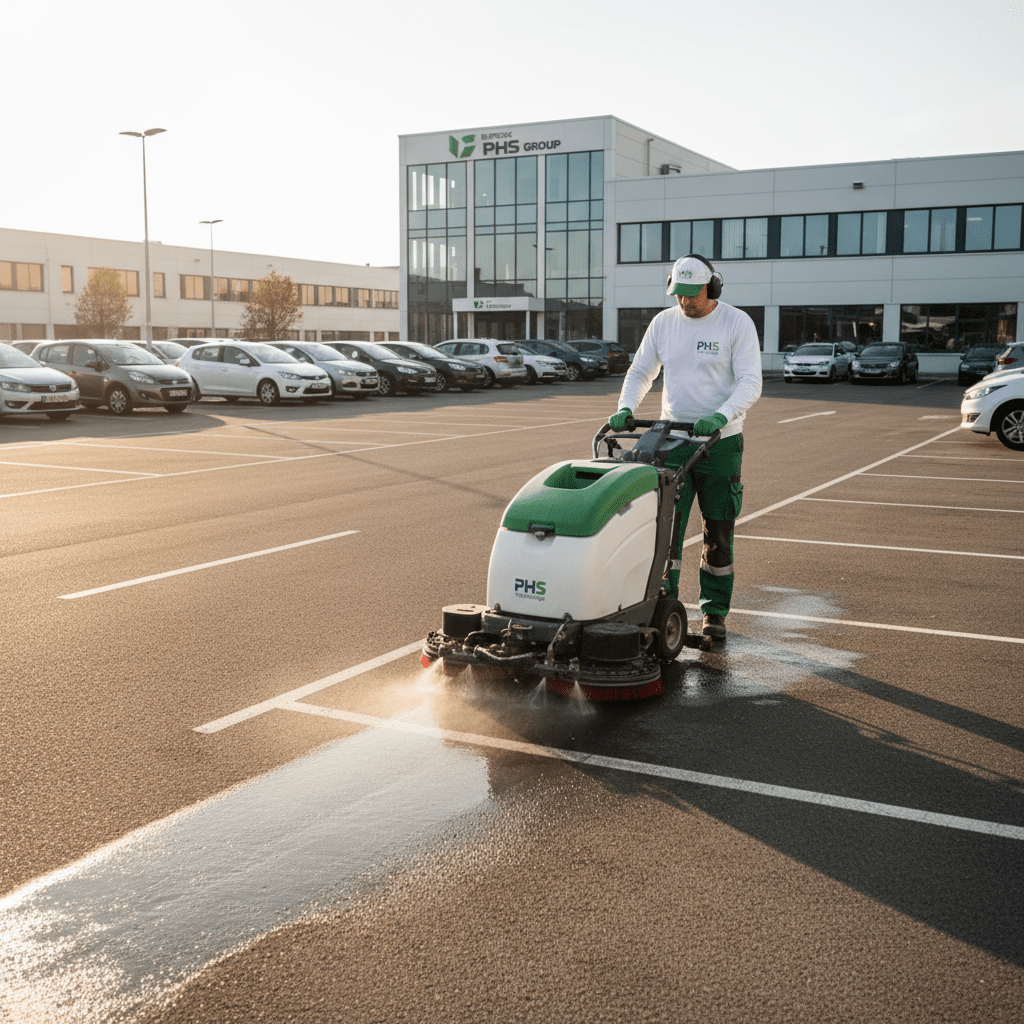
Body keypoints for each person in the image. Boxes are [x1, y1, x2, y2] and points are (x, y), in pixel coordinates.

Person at [610, 254, 762, 640]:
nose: (685, 302)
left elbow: (750, 382)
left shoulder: (736, 323)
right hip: (674, 440)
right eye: (679, 294)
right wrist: (626, 406)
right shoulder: (663, 323)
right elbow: (642, 369)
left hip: (720, 442)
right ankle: (664, 607)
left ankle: (715, 612)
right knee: (665, 530)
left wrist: (722, 415)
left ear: (712, 288)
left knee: (718, 531)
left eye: (693, 295)